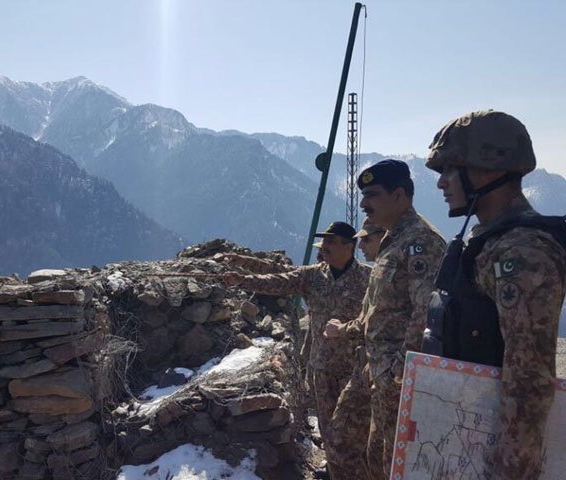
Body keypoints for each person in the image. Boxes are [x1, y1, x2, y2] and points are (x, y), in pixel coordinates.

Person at [422, 110, 566, 479]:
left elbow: (529, 378)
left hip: (493, 454)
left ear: (488, 169)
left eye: (449, 170)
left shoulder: (520, 253)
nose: (441, 184)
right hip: (463, 437)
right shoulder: (489, 240)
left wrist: (512, 469)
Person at [324, 160, 446, 479]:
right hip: (379, 373)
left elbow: (426, 317)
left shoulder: (422, 243)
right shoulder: (392, 242)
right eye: (363, 195)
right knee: (374, 458)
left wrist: (395, 372)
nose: (364, 204)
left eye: (373, 195)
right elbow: (379, 314)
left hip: (401, 383)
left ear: (400, 195)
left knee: (394, 465)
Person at [224, 222, 371, 480]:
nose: (324, 246)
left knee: (354, 426)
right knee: (326, 423)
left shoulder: (368, 279)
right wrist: (242, 278)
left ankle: (359, 472)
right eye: (323, 241)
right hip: (321, 365)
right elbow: (278, 279)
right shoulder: (313, 276)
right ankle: (335, 469)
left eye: (331, 241)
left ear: (349, 246)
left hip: (354, 368)